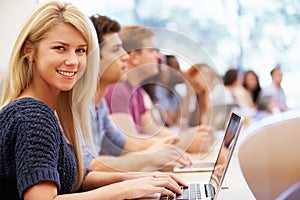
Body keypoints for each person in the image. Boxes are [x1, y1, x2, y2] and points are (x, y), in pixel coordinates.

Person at [0, 1, 186, 199]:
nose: (73, 61)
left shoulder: (53, 110)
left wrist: (136, 179)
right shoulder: (32, 115)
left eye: (80, 50)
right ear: (29, 51)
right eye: (60, 48)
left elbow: (75, 178)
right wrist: (125, 190)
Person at [87, 14, 192, 172]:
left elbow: (124, 143)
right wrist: (155, 154)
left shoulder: (103, 103)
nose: (126, 55)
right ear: (94, 58)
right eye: (151, 50)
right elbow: (89, 166)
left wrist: (163, 147)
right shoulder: (114, 91)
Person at [105, 25, 211, 153]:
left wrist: (190, 135)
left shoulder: (137, 92)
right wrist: (185, 142)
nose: (159, 57)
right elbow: (130, 145)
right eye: (151, 51)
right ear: (134, 57)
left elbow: (153, 131)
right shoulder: (116, 90)